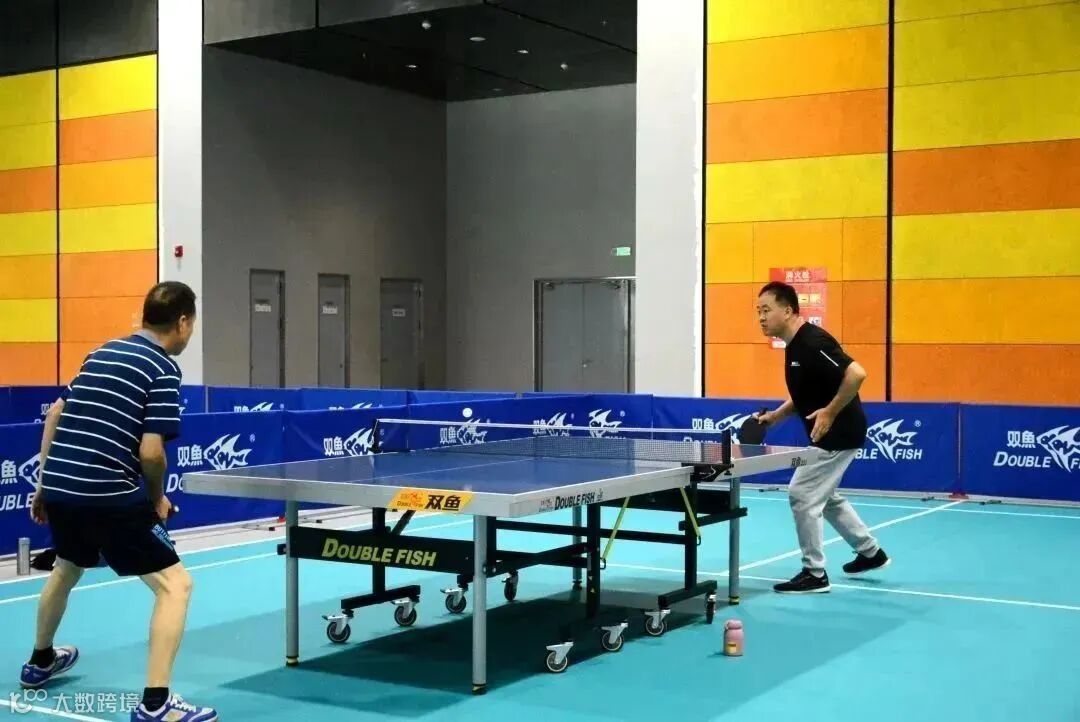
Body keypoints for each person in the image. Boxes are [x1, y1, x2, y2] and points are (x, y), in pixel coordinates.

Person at [21, 281, 217, 722]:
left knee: (68, 565)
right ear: (183, 322)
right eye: (192, 324)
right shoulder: (162, 368)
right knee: (175, 585)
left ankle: (40, 660)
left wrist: (44, 484)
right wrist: (156, 500)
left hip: (62, 485)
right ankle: (157, 704)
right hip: (108, 492)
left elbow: (56, 413)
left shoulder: (102, 351)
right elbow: (152, 453)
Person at [754, 281, 890, 594]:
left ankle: (814, 573)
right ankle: (870, 552)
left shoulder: (812, 342)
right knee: (823, 496)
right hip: (833, 431)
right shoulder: (794, 345)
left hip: (838, 431)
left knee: (802, 493)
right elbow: (806, 392)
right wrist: (777, 416)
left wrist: (829, 412)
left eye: (766, 310)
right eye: (758, 311)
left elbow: (856, 374)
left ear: (788, 310)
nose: (761, 317)